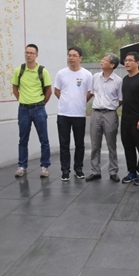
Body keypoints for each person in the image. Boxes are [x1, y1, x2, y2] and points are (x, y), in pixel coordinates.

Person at [12, 44, 52, 178]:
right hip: (23, 109)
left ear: (36, 55)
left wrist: (42, 103)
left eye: (31, 53)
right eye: (26, 52)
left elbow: (49, 90)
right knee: (23, 139)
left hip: (38, 108)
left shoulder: (42, 71)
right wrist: (22, 99)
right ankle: (22, 166)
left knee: (44, 139)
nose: (28, 55)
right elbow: (15, 88)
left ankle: (44, 166)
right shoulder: (19, 70)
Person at [54, 47, 93, 182]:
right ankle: (65, 170)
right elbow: (57, 90)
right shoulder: (61, 73)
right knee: (64, 143)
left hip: (79, 114)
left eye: (74, 55)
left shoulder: (87, 74)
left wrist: (80, 101)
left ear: (80, 58)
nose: (71, 58)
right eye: (69, 55)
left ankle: (78, 168)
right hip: (63, 113)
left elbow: (90, 92)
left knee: (79, 143)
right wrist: (65, 101)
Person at [86, 53, 122, 182]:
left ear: (112, 65)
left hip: (110, 114)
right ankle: (95, 171)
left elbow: (121, 99)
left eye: (105, 60)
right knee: (95, 144)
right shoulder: (95, 77)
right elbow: (91, 93)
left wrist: (111, 107)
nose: (101, 61)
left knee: (111, 144)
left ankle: (113, 171)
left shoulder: (118, 80)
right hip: (95, 113)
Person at [121, 52, 139, 185]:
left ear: (137, 63)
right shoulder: (125, 79)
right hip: (125, 119)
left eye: (130, 60)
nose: (127, 63)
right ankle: (131, 171)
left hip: (138, 119)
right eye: (126, 60)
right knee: (128, 146)